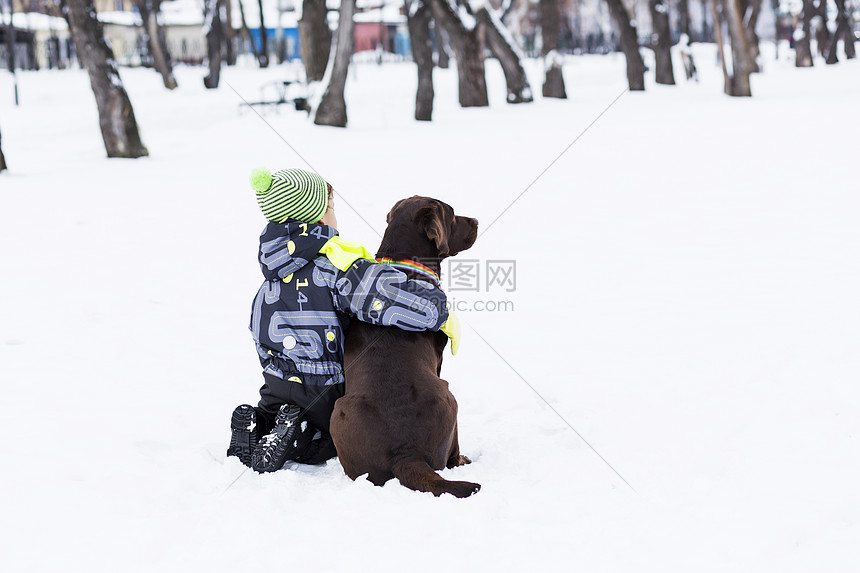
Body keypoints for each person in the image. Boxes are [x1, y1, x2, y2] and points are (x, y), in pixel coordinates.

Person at [227, 167, 459, 473]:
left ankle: (260, 424)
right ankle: (299, 440)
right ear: (319, 218)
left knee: (278, 410)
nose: (335, 216)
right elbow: (389, 301)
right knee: (325, 436)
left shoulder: (268, 283)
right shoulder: (337, 269)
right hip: (325, 387)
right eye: (332, 208)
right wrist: (435, 306)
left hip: (276, 384)